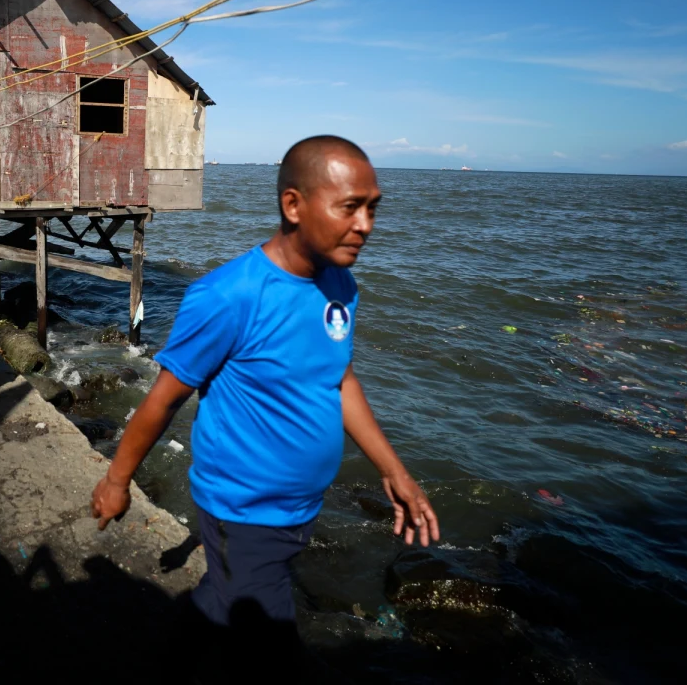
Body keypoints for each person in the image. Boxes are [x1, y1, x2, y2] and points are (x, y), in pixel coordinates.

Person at [90, 135, 439, 667]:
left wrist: (394, 470)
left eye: (372, 208)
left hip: (298, 506)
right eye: (350, 207)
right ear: (293, 205)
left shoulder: (341, 285)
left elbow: (339, 379)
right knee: (272, 652)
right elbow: (163, 400)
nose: (365, 225)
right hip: (243, 510)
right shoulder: (228, 296)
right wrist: (117, 482)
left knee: (219, 599)